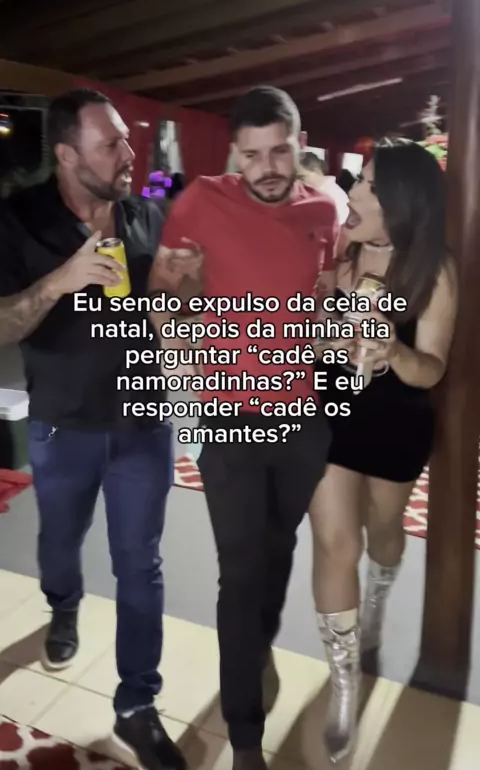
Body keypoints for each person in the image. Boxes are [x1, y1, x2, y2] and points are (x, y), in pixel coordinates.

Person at [0, 89, 197, 770]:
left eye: (126, 139)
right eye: (110, 143)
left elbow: (174, 319)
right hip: (63, 427)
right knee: (60, 546)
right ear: (66, 154)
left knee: (140, 564)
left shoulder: (148, 216)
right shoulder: (18, 220)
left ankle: (137, 705)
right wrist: (60, 281)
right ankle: (63, 605)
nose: (128, 152)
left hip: (144, 423)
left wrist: (179, 291)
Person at [148, 87, 338, 770]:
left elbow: (324, 298)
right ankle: (245, 736)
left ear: (298, 143)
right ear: (235, 153)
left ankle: (257, 645)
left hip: (302, 421)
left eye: (278, 152)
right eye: (252, 155)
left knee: (278, 550)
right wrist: (182, 310)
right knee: (240, 570)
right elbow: (163, 303)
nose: (266, 168)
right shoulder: (199, 203)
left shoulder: (325, 210)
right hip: (231, 418)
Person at [309, 139, 458, 763]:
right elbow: (311, 337)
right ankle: (344, 681)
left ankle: (377, 594)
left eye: (368, 185)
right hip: (331, 414)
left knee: (384, 532)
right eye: (358, 181)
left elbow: (432, 369)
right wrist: (330, 339)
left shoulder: (434, 271)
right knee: (335, 543)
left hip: (398, 421)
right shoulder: (338, 253)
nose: (353, 191)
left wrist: (392, 349)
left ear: (399, 204)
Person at [300, 151, 349, 225]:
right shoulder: (308, 192)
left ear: (316, 170)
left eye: (302, 177)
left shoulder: (335, 195)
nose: (299, 182)